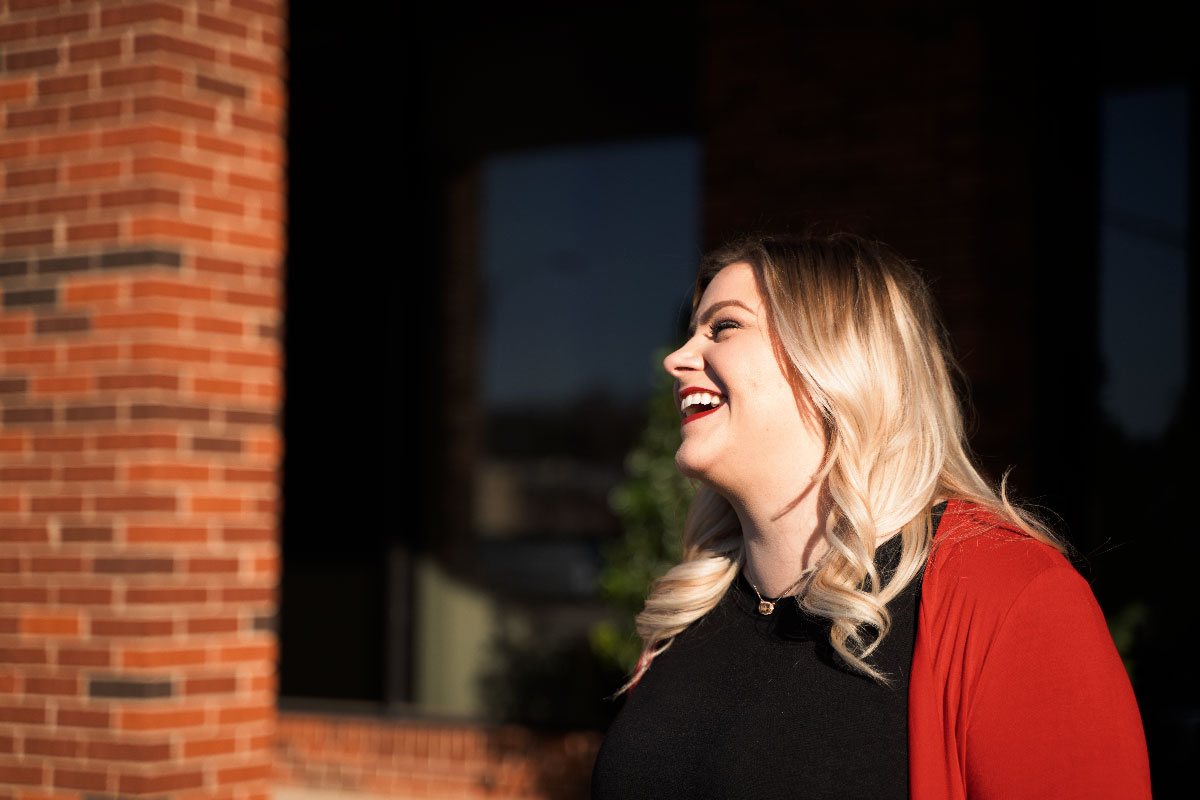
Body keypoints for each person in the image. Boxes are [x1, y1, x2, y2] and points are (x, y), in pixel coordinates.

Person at [590, 232, 1151, 799]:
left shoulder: (1012, 596)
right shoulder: (686, 618)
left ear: (838, 354)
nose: (677, 358)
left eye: (724, 326)